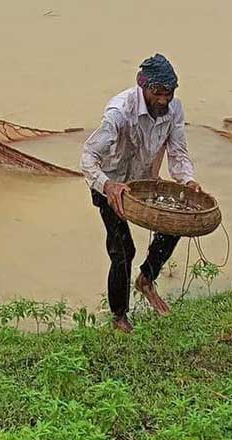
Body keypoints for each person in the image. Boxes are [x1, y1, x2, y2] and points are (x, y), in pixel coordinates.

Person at [80, 54, 201, 333]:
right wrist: (108, 186)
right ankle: (119, 316)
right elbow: (88, 157)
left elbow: (178, 152)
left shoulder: (174, 110)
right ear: (142, 85)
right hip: (110, 185)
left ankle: (146, 279)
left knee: (175, 222)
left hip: (142, 181)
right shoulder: (120, 112)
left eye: (169, 93)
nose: (163, 99)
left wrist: (188, 180)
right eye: (157, 92)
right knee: (123, 250)